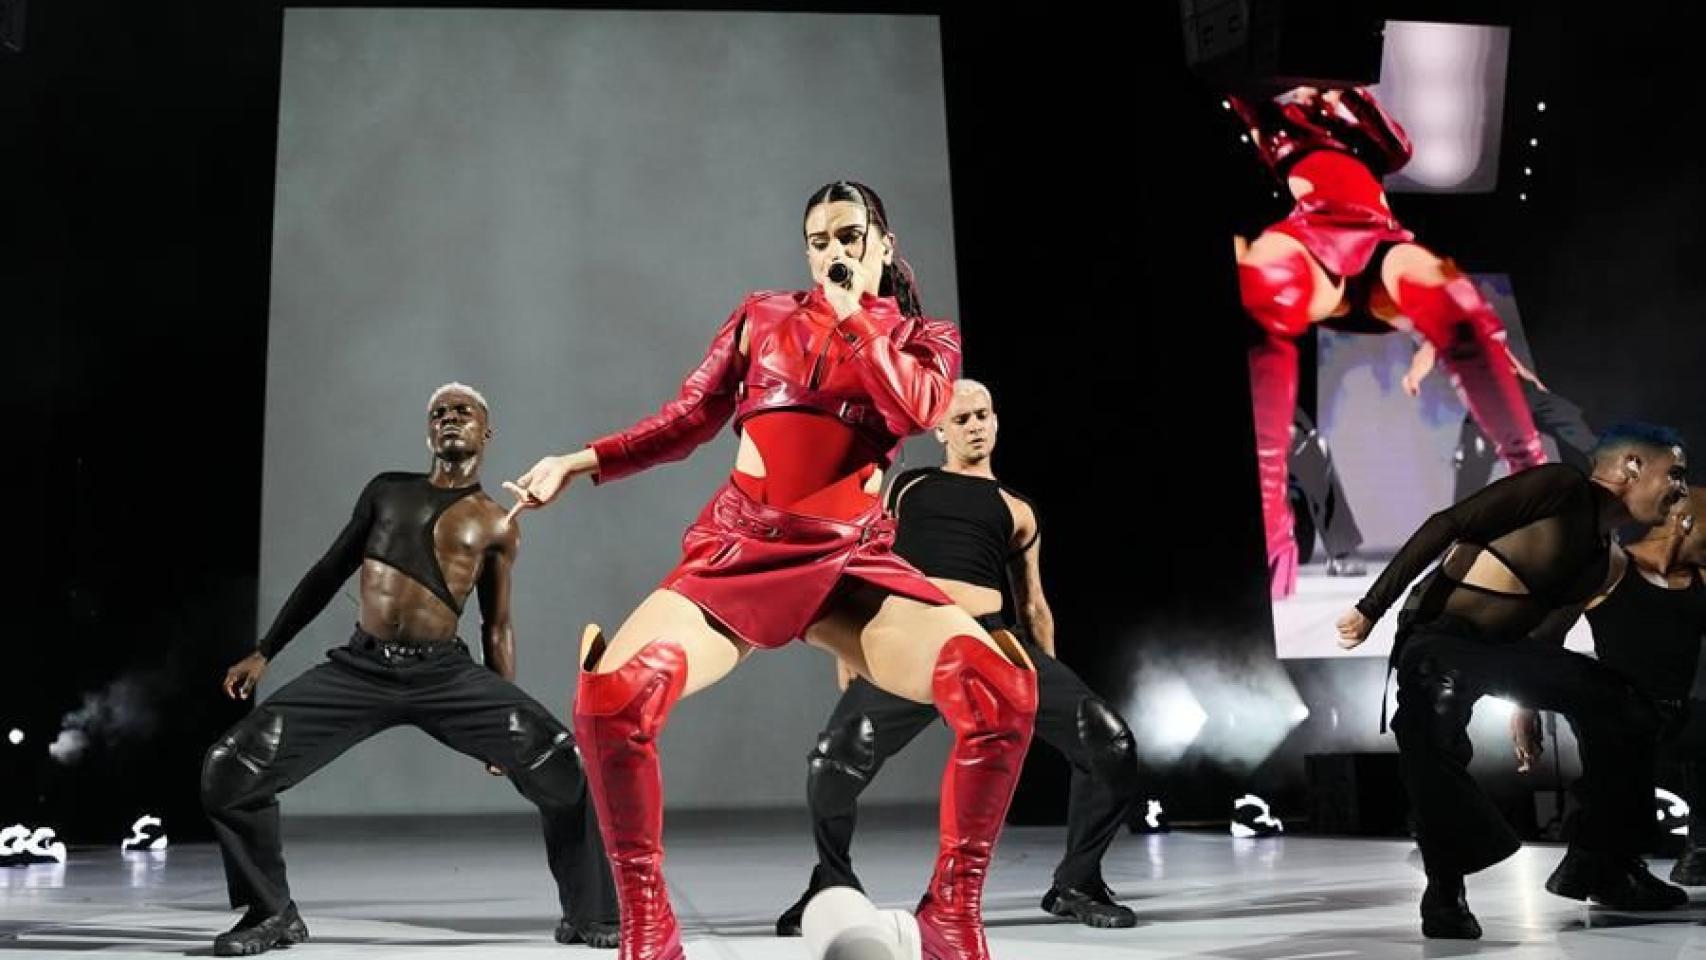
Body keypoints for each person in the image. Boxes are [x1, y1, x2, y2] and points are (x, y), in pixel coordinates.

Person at [506, 183, 1037, 960]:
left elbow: (922, 409)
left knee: (997, 692)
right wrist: (576, 462)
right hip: (742, 551)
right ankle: (649, 927)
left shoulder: (926, 338)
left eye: (849, 235)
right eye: (819, 241)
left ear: (884, 245)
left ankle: (950, 918)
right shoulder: (762, 316)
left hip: (852, 564)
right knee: (614, 696)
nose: (833, 252)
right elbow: (687, 418)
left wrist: (854, 314)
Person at [202, 384, 617, 956]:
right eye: (438, 413)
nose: (449, 417)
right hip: (361, 669)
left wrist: (502, 720)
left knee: (559, 760)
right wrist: (265, 650)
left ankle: (590, 912)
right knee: (231, 767)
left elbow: (496, 626)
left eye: (462, 411)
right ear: (428, 433)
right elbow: (327, 573)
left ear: (485, 432)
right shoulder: (387, 492)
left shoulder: (497, 523)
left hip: (443, 674)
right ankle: (270, 913)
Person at [775, 380, 1140, 936]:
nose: (975, 426)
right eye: (962, 418)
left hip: (990, 644)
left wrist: (1049, 683)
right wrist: (852, 641)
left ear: (996, 420)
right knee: (833, 762)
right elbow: (864, 557)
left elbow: (1033, 605)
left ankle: (1077, 883)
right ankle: (832, 883)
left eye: (983, 415)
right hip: (909, 643)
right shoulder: (910, 485)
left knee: (1108, 742)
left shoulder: (1017, 509)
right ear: (940, 430)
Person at [1337, 422, 1691, 939]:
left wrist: (1527, 708)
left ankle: (1604, 864)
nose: (1682, 489)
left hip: (1506, 654)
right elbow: (1446, 523)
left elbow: (1546, 641)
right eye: (1674, 473)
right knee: (1430, 722)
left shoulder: (1608, 561)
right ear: (1632, 466)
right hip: (1441, 639)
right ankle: (1445, 890)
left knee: (1627, 707)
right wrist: (1371, 607)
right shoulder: (1558, 486)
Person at [1231, 85, 1546, 598]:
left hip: (1382, 238)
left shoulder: (1349, 105)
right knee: (1265, 288)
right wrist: (1287, 91)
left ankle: (1539, 503)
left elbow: (1398, 148)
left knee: (1458, 304)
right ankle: (1270, 533)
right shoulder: (1273, 110)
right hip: (1311, 232)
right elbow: (1236, 86)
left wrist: (1340, 93)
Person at [1512, 484, 1706, 884]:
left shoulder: (1697, 580)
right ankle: (1594, 864)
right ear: (1686, 522)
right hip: (1613, 707)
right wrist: (1524, 707)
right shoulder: (1613, 566)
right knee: (1618, 743)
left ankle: (1697, 850)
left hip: (1671, 711)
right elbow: (1545, 637)